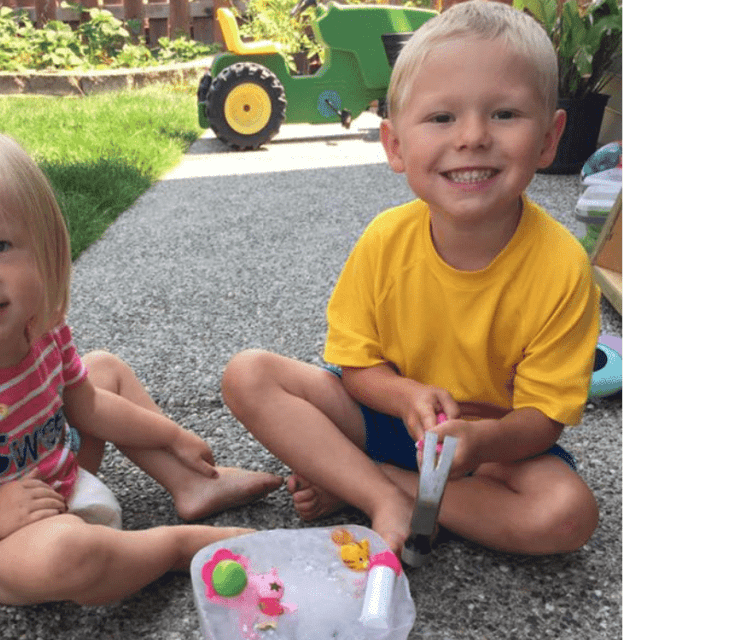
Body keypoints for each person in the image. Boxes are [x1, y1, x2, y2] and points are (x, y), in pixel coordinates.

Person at [221, 0, 600, 558]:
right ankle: (385, 494)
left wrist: (480, 442)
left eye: (504, 114)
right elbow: (356, 367)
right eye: (442, 118)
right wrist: (404, 396)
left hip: (493, 451)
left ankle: (369, 485)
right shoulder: (384, 240)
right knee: (248, 375)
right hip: (389, 419)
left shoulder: (563, 266)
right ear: (396, 146)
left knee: (567, 516)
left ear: (549, 138)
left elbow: (544, 419)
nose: (472, 136)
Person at [0, 123, 283, 606]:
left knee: (103, 368)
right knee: (66, 554)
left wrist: (170, 434)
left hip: (58, 478)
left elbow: (89, 406)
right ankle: (174, 549)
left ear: (46, 246)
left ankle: (192, 484)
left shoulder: (41, 329)